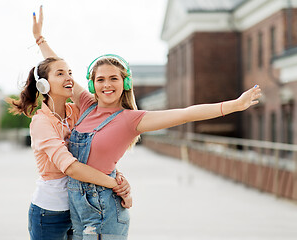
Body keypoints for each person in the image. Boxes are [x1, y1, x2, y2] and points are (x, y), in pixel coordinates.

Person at [33, 6, 262, 240]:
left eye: (114, 78)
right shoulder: (87, 104)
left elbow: (185, 113)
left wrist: (233, 105)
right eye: (100, 79)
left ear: (126, 83)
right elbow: (59, 72)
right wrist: (40, 39)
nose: (107, 85)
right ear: (92, 85)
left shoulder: (132, 120)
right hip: (78, 210)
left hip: (104, 211)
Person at [9, 10, 131, 240]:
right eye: (61, 74)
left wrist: (40, 40)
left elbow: (93, 153)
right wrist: (114, 183)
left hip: (80, 207)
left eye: (70, 73)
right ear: (44, 85)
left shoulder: (78, 111)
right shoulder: (41, 122)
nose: (68, 79)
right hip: (49, 213)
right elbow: (72, 167)